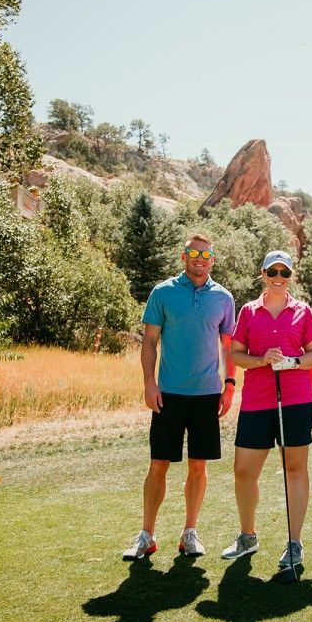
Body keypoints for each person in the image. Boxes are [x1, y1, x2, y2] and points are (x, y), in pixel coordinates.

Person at [123, 235, 236, 561]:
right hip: (168, 394)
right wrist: (149, 382)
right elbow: (149, 342)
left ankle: (189, 533)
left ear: (212, 259)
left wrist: (229, 384)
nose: (200, 259)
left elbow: (228, 345)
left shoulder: (223, 298)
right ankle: (146, 535)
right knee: (158, 464)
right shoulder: (163, 292)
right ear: (183, 256)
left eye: (205, 254)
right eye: (194, 253)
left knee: (198, 466)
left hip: (206, 395)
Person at [222, 250, 312, 578]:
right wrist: (262, 359)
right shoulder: (249, 312)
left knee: (295, 470)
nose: (279, 276)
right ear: (263, 273)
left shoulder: (302, 311)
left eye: (285, 271)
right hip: (256, 400)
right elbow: (236, 353)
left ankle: (294, 542)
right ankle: (248, 536)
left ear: (291, 275)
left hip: (295, 401)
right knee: (243, 471)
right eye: (272, 271)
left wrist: (292, 362)